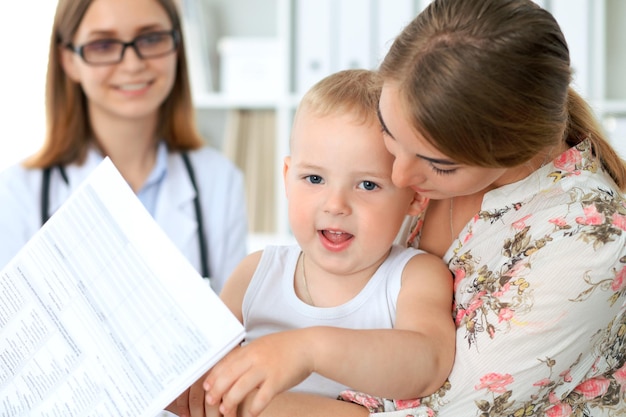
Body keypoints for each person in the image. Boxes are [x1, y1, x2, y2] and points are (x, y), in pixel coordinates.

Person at [175, 0, 626, 416]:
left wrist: (226, 396)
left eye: (437, 165)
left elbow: (428, 407)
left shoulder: (588, 240)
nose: (399, 176)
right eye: (392, 135)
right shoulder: (267, 268)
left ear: (510, 150)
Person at [170, 69, 455, 417]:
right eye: (314, 178)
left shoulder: (414, 275)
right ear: (288, 179)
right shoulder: (254, 275)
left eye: (367, 185)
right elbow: (203, 371)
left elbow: (428, 363)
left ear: (415, 197)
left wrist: (308, 349)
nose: (335, 204)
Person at [0, 0, 248, 292]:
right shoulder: (17, 193)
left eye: (152, 38)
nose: (132, 64)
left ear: (177, 47)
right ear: (68, 60)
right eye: (103, 45)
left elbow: (238, 325)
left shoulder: (219, 181)